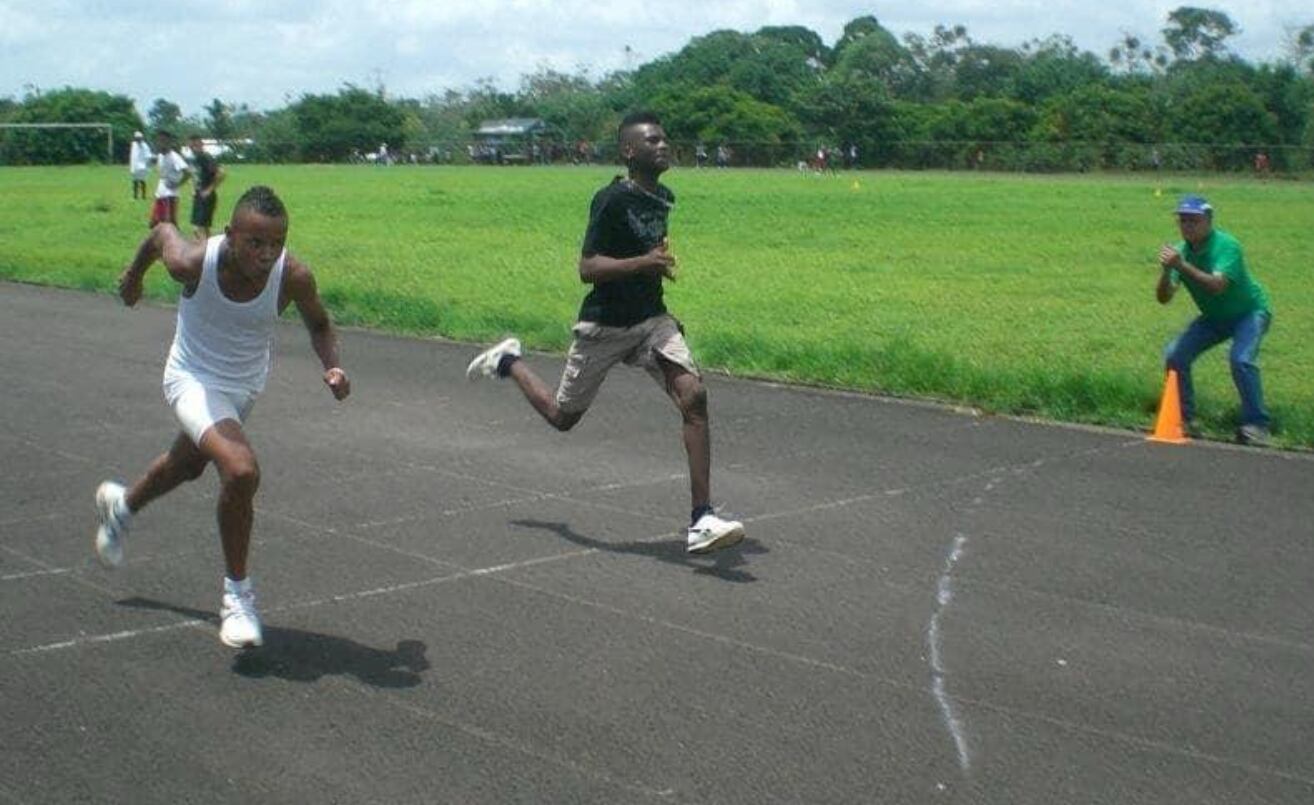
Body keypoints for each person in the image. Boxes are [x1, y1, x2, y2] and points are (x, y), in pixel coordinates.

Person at [464, 112, 745, 554]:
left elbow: (647, 254)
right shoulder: (610, 199)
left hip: (652, 319)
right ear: (630, 151)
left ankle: (701, 518)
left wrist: (656, 269)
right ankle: (508, 361)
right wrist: (643, 264)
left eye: (665, 138)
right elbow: (588, 268)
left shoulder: (664, 197)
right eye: (653, 140)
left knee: (694, 397)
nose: (664, 145)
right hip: (605, 326)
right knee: (563, 418)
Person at [94, 185, 352, 647]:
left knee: (188, 465)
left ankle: (122, 506)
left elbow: (319, 323)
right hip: (191, 378)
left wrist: (332, 364)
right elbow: (160, 233)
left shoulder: (292, 275)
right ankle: (238, 598)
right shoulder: (193, 263)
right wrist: (133, 277)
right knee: (240, 469)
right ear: (230, 235)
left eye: (276, 242)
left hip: (241, 388)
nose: (267, 253)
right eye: (255, 242)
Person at [1156, 195, 1273, 445]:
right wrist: (1167, 271)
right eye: (1183, 220)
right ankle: (1185, 419)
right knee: (1175, 356)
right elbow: (1164, 298)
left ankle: (1257, 424)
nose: (1187, 226)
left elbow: (1217, 285)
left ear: (1208, 221)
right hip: (1214, 317)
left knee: (1241, 360)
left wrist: (1181, 265)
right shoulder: (1181, 252)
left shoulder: (1227, 245)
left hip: (1249, 312)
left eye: (1194, 221)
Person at [187, 134, 226, 240]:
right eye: (191, 145)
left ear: (201, 144)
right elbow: (193, 175)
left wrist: (209, 190)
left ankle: (205, 252)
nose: (193, 147)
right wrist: (192, 188)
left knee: (198, 229)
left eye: (195, 144)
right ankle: (210, 251)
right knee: (204, 228)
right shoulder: (194, 159)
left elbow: (221, 173)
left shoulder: (205, 157)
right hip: (198, 196)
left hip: (206, 197)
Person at [150, 130, 191, 228]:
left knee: (170, 224)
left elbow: (188, 172)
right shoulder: (160, 156)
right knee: (154, 223)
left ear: (168, 142)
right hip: (160, 194)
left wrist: (178, 184)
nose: (159, 144)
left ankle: (176, 242)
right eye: (158, 141)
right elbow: (161, 171)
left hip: (170, 196)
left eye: (162, 141)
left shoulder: (174, 157)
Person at [129, 130, 152, 200]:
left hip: (142, 166)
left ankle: (143, 196)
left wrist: (147, 164)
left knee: (142, 181)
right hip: (135, 165)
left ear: (141, 138)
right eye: (136, 138)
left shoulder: (145, 145)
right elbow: (132, 155)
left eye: (139, 138)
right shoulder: (133, 144)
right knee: (135, 181)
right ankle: (135, 196)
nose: (137, 139)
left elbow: (148, 156)